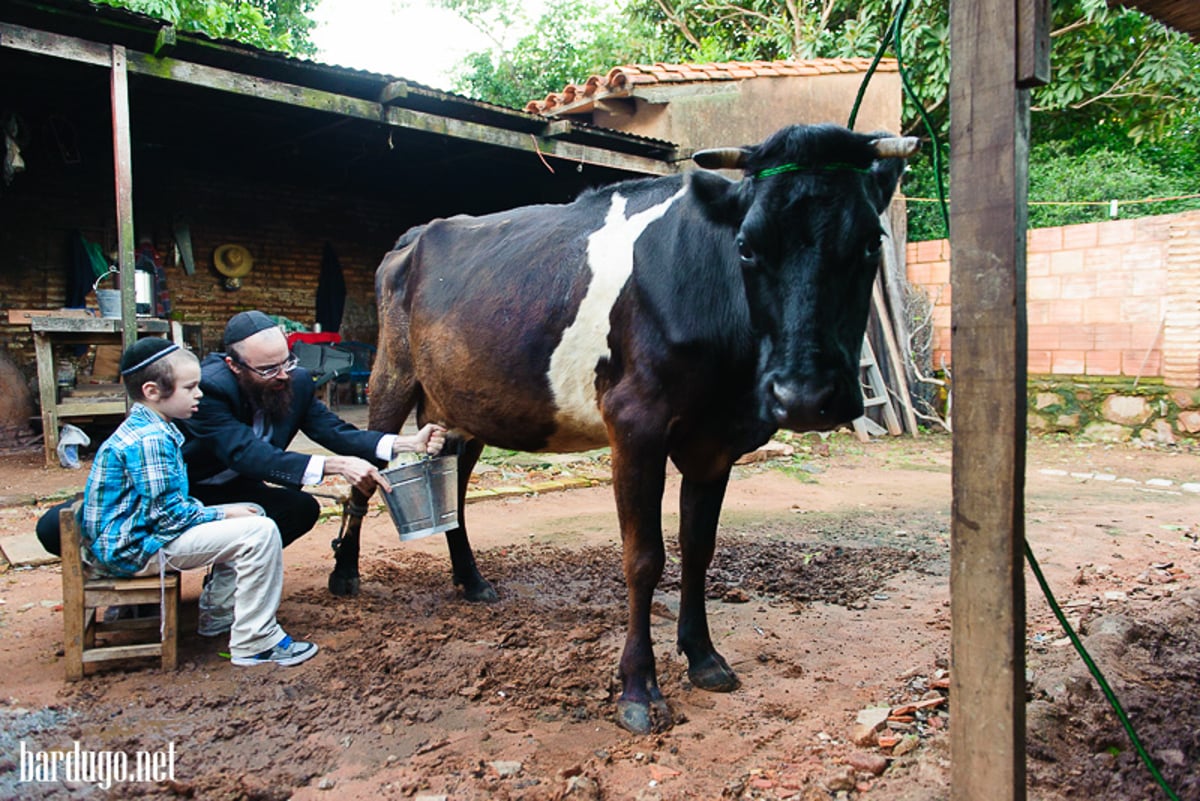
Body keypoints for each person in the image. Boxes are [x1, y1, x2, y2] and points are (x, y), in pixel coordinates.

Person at [177, 310, 445, 635]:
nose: (282, 376)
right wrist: (337, 465)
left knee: (299, 509)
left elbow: (336, 432)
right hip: (190, 492)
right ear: (234, 366)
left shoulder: (296, 381)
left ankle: (224, 582)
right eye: (268, 369)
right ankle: (219, 603)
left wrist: (406, 443)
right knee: (260, 514)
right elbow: (246, 454)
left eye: (286, 361)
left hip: (238, 487)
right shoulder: (210, 389)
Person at [78, 337, 317, 667]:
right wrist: (221, 512)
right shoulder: (151, 440)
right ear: (152, 391)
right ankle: (255, 641)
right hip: (135, 548)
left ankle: (218, 615)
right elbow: (168, 517)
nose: (199, 394)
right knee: (259, 532)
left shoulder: (151, 427)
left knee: (251, 516)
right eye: (189, 388)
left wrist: (227, 513)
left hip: (135, 538)